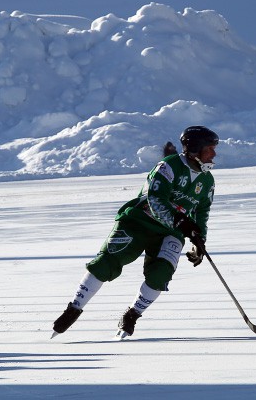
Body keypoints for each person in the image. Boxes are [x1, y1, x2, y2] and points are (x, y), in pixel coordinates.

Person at [52, 125, 219, 338]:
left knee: (161, 274)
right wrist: (180, 221)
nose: (214, 154)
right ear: (195, 149)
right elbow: (155, 200)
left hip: (170, 232)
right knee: (106, 263)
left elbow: (202, 212)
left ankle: (132, 314)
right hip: (139, 222)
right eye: (210, 149)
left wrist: (199, 239)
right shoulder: (168, 167)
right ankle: (74, 309)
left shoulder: (208, 181)